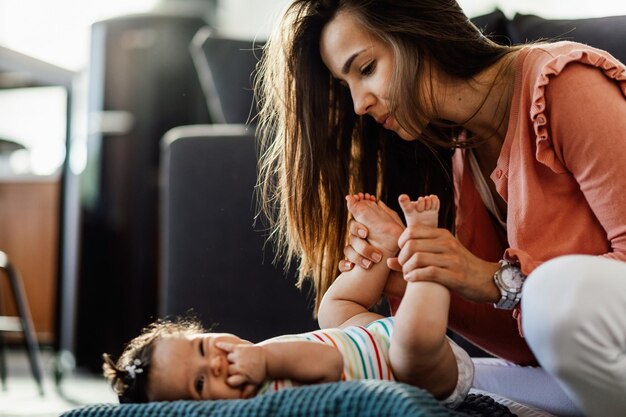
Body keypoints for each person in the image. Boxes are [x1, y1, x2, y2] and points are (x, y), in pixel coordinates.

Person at [254, 1, 626, 416]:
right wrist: (417, 273)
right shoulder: (456, 154)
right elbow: (532, 343)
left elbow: (560, 307)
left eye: (366, 69)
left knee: (554, 292)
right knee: (411, 380)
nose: (359, 104)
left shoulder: (563, 83)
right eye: (347, 87)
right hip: (585, 377)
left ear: (417, 31)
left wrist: (490, 279)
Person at [102, 193, 473, 408]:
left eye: (202, 348)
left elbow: (335, 345)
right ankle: (426, 252)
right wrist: (266, 362)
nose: (216, 363)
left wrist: (264, 356)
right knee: (411, 344)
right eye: (200, 384)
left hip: (368, 337)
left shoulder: (261, 353)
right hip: (420, 372)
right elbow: (328, 361)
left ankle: (384, 243)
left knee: (333, 310)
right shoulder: (264, 395)